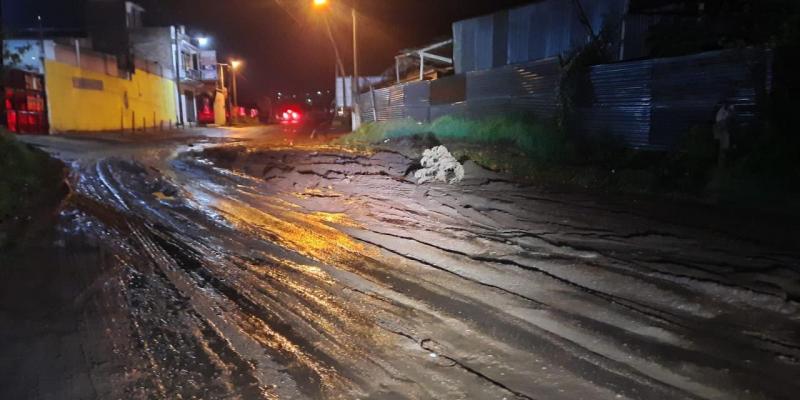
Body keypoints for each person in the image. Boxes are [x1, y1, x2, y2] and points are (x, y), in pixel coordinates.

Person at [713, 102, 733, 168]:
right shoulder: (722, 116)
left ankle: (722, 165)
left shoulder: (722, 113)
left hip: (722, 131)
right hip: (722, 132)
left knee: (723, 150)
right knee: (723, 150)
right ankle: (722, 165)